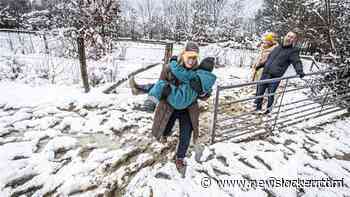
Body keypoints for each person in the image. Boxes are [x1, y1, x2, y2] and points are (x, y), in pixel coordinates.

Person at [129, 42, 210, 170]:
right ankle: (164, 134)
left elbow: (206, 94)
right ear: (183, 55)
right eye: (189, 56)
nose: (191, 60)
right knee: (167, 124)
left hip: (188, 108)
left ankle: (180, 157)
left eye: (194, 57)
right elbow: (160, 83)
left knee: (186, 133)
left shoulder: (199, 73)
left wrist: (202, 91)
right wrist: (165, 91)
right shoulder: (169, 68)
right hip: (170, 105)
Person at [254, 31, 305, 114]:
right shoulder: (277, 48)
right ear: (285, 36)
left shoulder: (293, 51)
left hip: (275, 76)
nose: (289, 38)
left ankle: (268, 110)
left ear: (294, 40)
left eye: (292, 37)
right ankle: (258, 108)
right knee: (260, 92)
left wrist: (300, 71)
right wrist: (260, 65)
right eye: (288, 36)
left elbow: (297, 62)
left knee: (270, 94)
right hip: (265, 73)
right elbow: (269, 59)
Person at [147, 57, 216, 110]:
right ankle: (147, 89)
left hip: (179, 98)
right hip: (186, 104)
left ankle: (150, 103)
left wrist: (173, 61)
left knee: (161, 84)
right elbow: (207, 92)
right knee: (161, 87)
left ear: (201, 65)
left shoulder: (194, 76)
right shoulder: (209, 81)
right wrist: (202, 92)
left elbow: (179, 72)